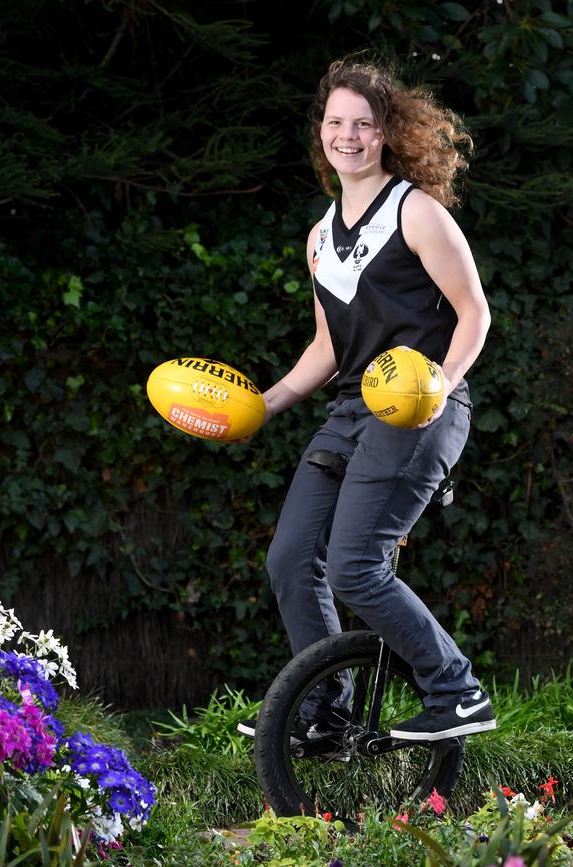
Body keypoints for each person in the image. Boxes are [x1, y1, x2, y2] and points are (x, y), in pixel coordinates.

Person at [238, 57, 495, 743]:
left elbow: (475, 313)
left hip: (419, 407)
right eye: (334, 122)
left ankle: (456, 689)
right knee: (290, 557)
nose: (346, 135)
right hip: (351, 410)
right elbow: (328, 347)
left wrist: (440, 381)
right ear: (320, 132)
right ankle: (327, 708)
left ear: (385, 133)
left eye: (362, 123)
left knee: (355, 563)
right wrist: (264, 404)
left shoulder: (417, 211)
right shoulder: (321, 239)